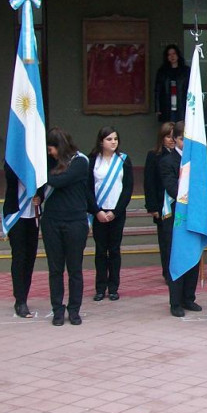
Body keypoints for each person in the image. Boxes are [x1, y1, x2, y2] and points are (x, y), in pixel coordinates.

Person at [40, 127, 95, 326]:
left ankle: (74, 310)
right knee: (55, 269)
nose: (49, 153)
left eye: (52, 149)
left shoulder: (79, 161)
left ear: (60, 146)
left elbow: (61, 180)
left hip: (75, 221)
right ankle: (57, 309)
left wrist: (45, 177)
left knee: (75, 269)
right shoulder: (48, 161)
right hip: (52, 220)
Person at [158, 122, 202, 317]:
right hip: (176, 214)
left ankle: (189, 298)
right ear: (175, 139)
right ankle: (175, 301)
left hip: (194, 214)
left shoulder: (197, 159)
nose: (186, 142)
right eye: (183, 138)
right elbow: (172, 188)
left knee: (193, 253)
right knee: (176, 256)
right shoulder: (167, 161)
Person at [88, 126, 133, 302]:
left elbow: (128, 188)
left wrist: (116, 211)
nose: (113, 142)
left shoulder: (123, 160)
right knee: (100, 251)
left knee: (114, 250)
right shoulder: (92, 160)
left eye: (115, 139)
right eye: (109, 139)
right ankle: (100, 288)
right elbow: (87, 188)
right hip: (98, 213)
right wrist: (96, 211)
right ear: (101, 141)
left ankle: (113, 287)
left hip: (116, 213)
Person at [3, 162, 39, 318]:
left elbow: (44, 182)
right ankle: (20, 300)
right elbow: (10, 177)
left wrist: (41, 196)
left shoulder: (39, 157)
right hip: (16, 215)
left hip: (33, 215)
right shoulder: (13, 158)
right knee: (19, 257)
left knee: (30, 257)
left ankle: (24, 294)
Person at [144, 122, 175, 282]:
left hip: (177, 204)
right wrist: (152, 207)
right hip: (161, 204)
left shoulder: (181, 154)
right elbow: (149, 182)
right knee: (164, 240)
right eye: (167, 137)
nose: (171, 140)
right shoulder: (154, 155)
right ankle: (167, 272)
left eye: (173, 136)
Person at [153, 44, 190, 123]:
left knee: (181, 126)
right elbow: (157, 90)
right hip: (167, 104)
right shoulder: (162, 72)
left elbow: (190, 88)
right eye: (169, 54)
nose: (172, 56)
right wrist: (158, 108)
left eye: (174, 54)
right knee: (169, 127)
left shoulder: (186, 71)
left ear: (178, 55)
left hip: (182, 103)